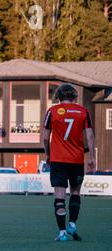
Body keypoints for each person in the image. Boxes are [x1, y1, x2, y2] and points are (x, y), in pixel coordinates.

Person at [43, 83, 95, 241]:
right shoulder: (83, 112)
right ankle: (72, 224)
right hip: (77, 160)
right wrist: (92, 157)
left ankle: (62, 232)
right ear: (74, 96)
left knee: (59, 197)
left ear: (58, 97)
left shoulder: (52, 112)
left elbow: (45, 137)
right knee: (75, 192)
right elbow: (90, 137)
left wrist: (48, 154)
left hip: (58, 160)